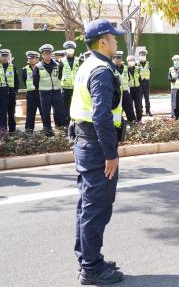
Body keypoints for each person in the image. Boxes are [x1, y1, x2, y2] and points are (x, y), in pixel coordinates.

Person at [69, 18, 125, 285]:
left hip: (84, 143)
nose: (117, 41)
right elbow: (101, 116)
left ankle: (88, 258)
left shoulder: (87, 65)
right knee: (97, 208)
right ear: (103, 41)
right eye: (114, 38)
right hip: (96, 148)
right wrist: (110, 154)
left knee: (86, 206)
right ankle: (91, 268)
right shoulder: (101, 70)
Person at [34, 44, 66, 136]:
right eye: (45, 53)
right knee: (45, 113)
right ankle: (48, 131)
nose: (47, 55)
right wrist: (43, 88)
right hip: (44, 93)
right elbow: (35, 81)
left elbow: (60, 76)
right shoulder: (38, 66)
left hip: (56, 92)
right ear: (42, 55)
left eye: (49, 53)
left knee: (61, 112)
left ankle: (63, 129)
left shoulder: (57, 65)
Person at [59, 40, 80, 125]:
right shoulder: (62, 60)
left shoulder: (78, 60)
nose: (70, 49)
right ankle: (66, 123)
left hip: (76, 88)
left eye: (71, 48)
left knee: (76, 105)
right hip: (65, 88)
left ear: (74, 49)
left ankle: (76, 122)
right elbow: (59, 75)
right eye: (68, 48)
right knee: (65, 106)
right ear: (66, 50)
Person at [113, 52, 137, 123]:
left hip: (125, 92)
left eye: (119, 58)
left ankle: (132, 123)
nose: (118, 60)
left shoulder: (126, 68)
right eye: (117, 58)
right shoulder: (111, 68)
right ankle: (118, 124)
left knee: (129, 109)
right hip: (116, 93)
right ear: (113, 59)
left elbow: (129, 79)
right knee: (117, 110)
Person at [0, 49, 20, 132]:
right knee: (2, 113)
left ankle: (12, 130)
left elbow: (16, 80)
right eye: (3, 56)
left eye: (6, 56)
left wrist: (15, 91)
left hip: (11, 93)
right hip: (1, 93)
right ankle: (3, 130)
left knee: (11, 113)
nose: (5, 58)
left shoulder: (13, 67)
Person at [22, 51, 43, 132]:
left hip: (41, 93)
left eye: (33, 58)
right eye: (29, 58)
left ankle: (47, 130)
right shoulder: (25, 69)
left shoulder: (42, 67)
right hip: (31, 94)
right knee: (30, 113)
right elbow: (25, 80)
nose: (31, 60)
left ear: (37, 59)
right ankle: (29, 131)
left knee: (44, 113)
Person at [126, 55, 142, 122]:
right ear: (127, 61)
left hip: (137, 89)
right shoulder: (125, 69)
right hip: (130, 89)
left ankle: (139, 119)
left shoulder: (137, 69)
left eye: (133, 60)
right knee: (130, 106)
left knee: (138, 105)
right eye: (130, 60)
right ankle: (132, 120)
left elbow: (140, 78)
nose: (132, 61)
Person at [137, 48, 152, 117]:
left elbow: (150, 71)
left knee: (147, 98)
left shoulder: (149, 64)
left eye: (144, 55)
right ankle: (140, 111)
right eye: (141, 55)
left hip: (146, 83)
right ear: (139, 56)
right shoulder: (136, 64)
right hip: (140, 83)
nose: (143, 57)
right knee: (139, 99)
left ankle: (148, 111)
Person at [168, 55, 179, 120]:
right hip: (174, 88)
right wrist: (171, 79)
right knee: (174, 102)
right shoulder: (171, 69)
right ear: (173, 61)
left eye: (177, 60)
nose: (176, 61)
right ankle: (174, 115)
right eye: (175, 60)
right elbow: (169, 77)